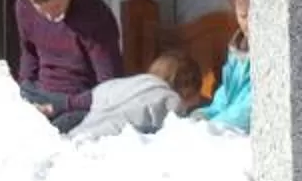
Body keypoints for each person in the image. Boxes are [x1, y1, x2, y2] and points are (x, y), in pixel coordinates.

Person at [13, 0, 124, 128]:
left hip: (79, 101)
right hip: (39, 93)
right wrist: (23, 88)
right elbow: (29, 54)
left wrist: (62, 105)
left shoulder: (94, 15)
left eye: (56, 7)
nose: (49, 16)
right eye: (40, 9)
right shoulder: (24, 8)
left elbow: (109, 86)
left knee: (49, 137)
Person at [66, 47, 203, 143]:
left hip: (77, 136)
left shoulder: (122, 85)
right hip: (105, 145)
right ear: (188, 88)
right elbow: (181, 131)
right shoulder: (171, 101)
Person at [199, 0, 253, 132]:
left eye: (256, 14)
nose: (250, 23)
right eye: (243, 16)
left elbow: (251, 107)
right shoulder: (238, 52)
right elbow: (226, 94)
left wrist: (213, 126)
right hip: (228, 128)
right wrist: (205, 115)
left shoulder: (274, 54)